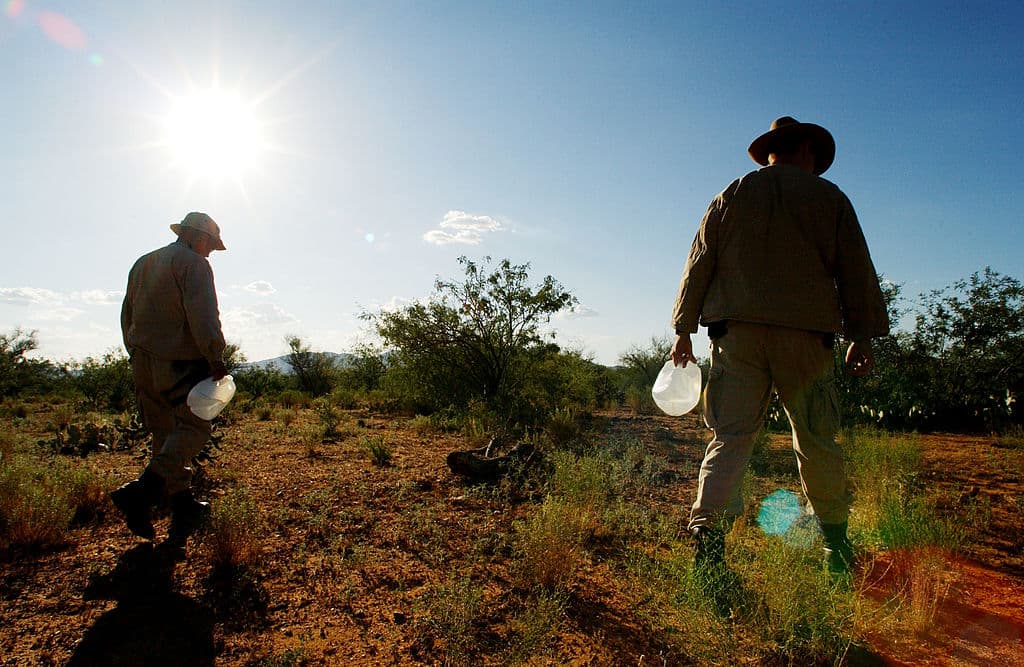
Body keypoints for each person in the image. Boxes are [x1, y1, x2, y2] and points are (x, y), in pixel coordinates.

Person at [670, 116, 890, 576]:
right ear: (807, 151)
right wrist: (861, 336)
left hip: (736, 337)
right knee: (815, 438)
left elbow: (699, 262)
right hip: (806, 340)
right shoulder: (831, 199)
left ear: (770, 151)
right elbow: (855, 270)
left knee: (729, 438)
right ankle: (834, 546)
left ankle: (708, 542)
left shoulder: (732, 194)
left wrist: (683, 329)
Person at [112, 211, 228, 550]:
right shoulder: (193, 264)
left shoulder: (143, 263)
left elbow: (126, 314)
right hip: (178, 363)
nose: (210, 252)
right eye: (211, 245)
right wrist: (215, 356)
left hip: (142, 360)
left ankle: (182, 504)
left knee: (165, 434)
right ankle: (141, 493)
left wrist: (134, 352)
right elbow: (204, 314)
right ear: (199, 237)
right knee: (194, 429)